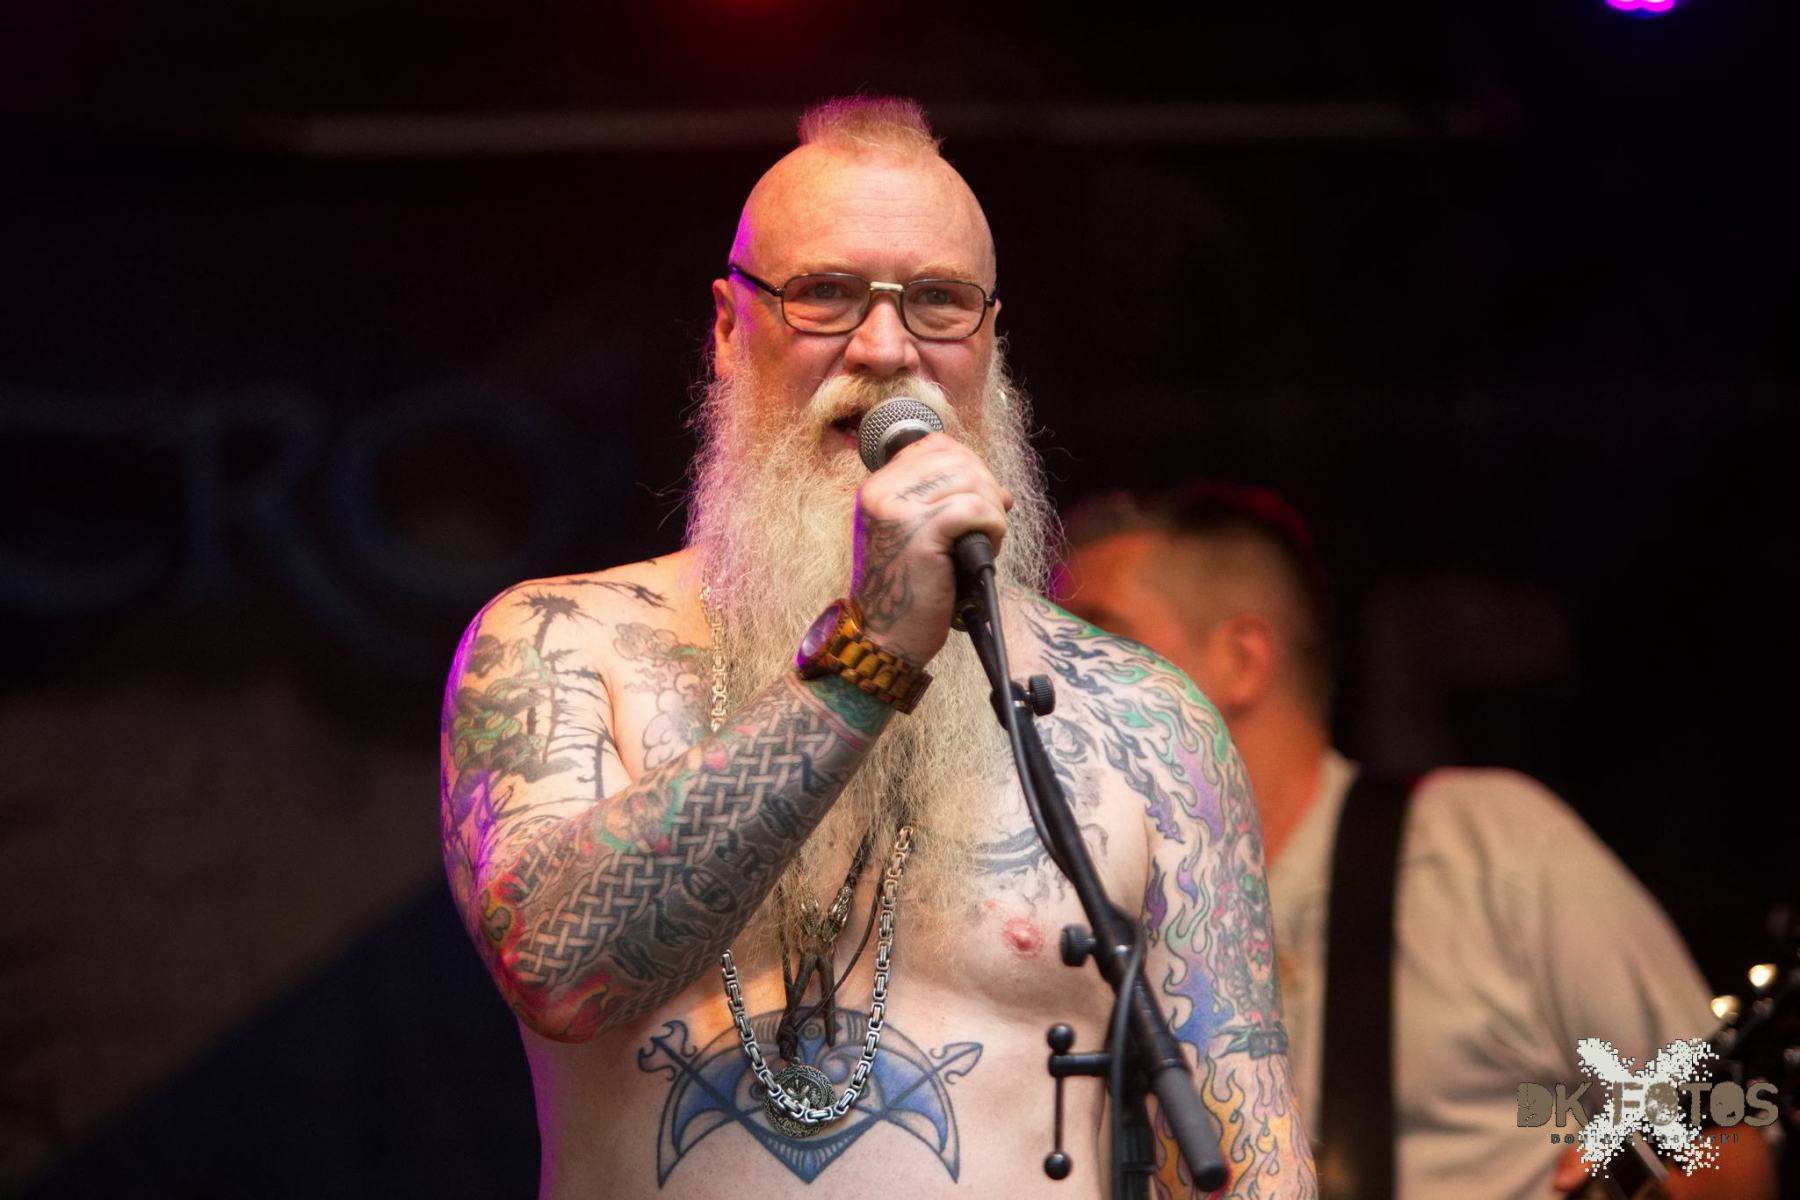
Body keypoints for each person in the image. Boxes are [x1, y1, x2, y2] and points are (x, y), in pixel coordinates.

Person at [437, 98, 1317, 1199]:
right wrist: (869, 655)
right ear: (729, 329)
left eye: (939, 302)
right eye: (825, 293)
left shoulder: (1142, 720)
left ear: (990, 343)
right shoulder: (564, 643)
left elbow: (1246, 1156)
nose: (887, 349)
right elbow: (559, 971)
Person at [1055, 483, 1778, 1200]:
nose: (1052, 681)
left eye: (1098, 637)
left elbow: (1726, 1141)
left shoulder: (1489, 847)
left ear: (1244, 659)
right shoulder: (1078, 923)